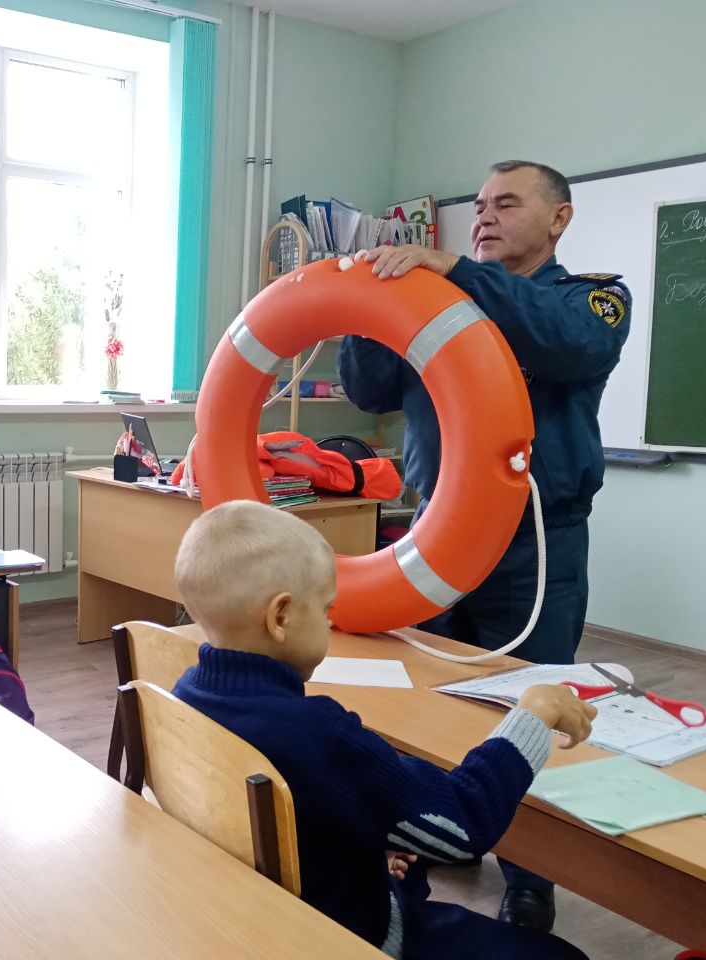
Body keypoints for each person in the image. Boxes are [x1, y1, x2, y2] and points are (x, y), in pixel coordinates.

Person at [337, 160, 631, 930]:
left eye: (507, 203)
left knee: (528, 700)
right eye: (480, 206)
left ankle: (531, 877)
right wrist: (363, 302)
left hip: (537, 544)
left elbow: (567, 344)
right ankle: (442, 827)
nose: (485, 217)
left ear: (559, 219)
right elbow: (370, 389)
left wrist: (460, 274)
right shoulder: (435, 300)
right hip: (435, 531)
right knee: (429, 697)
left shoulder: (592, 297)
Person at [170, 501, 594, 960]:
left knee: (410, 867)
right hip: (348, 940)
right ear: (281, 617)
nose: (330, 621)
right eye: (326, 609)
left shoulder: (184, 694)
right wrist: (533, 714)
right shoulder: (317, 732)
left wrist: (358, 846)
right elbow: (464, 823)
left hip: (259, 920)